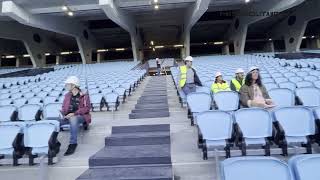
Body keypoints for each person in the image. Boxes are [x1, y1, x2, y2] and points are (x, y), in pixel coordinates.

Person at [60, 76, 91, 156]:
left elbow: (87, 108)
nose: (66, 86)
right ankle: (54, 143)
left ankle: (73, 144)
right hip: (68, 116)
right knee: (50, 121)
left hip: (80, 116)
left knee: (73, 119)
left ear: (73, 85)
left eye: (67, 84)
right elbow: (63, 107)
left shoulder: (84, 95)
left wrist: (74, 114)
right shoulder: (67, 95)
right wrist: (63, 113)